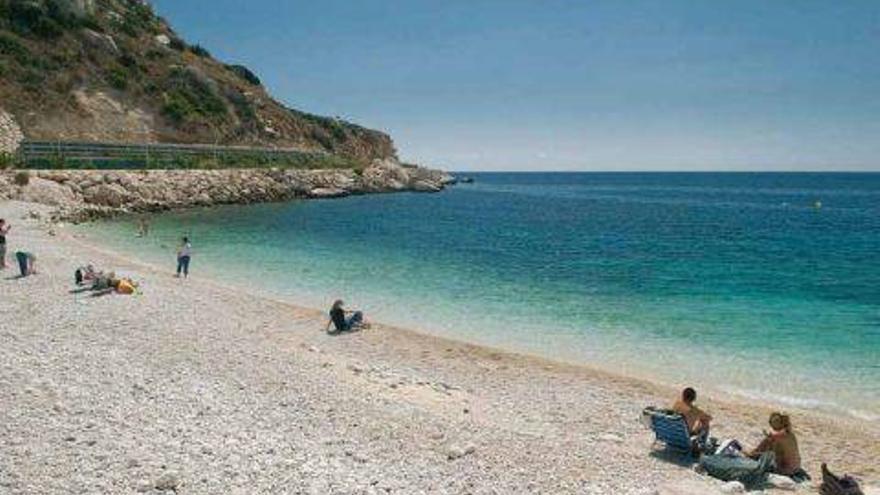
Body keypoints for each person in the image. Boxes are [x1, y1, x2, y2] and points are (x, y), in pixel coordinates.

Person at [746, 412, 808, 481]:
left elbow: (772, 455)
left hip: (785, 471)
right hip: (796, 468)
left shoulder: (774, 437)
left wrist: (753, 454)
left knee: (758, 452)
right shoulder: (791, 435)